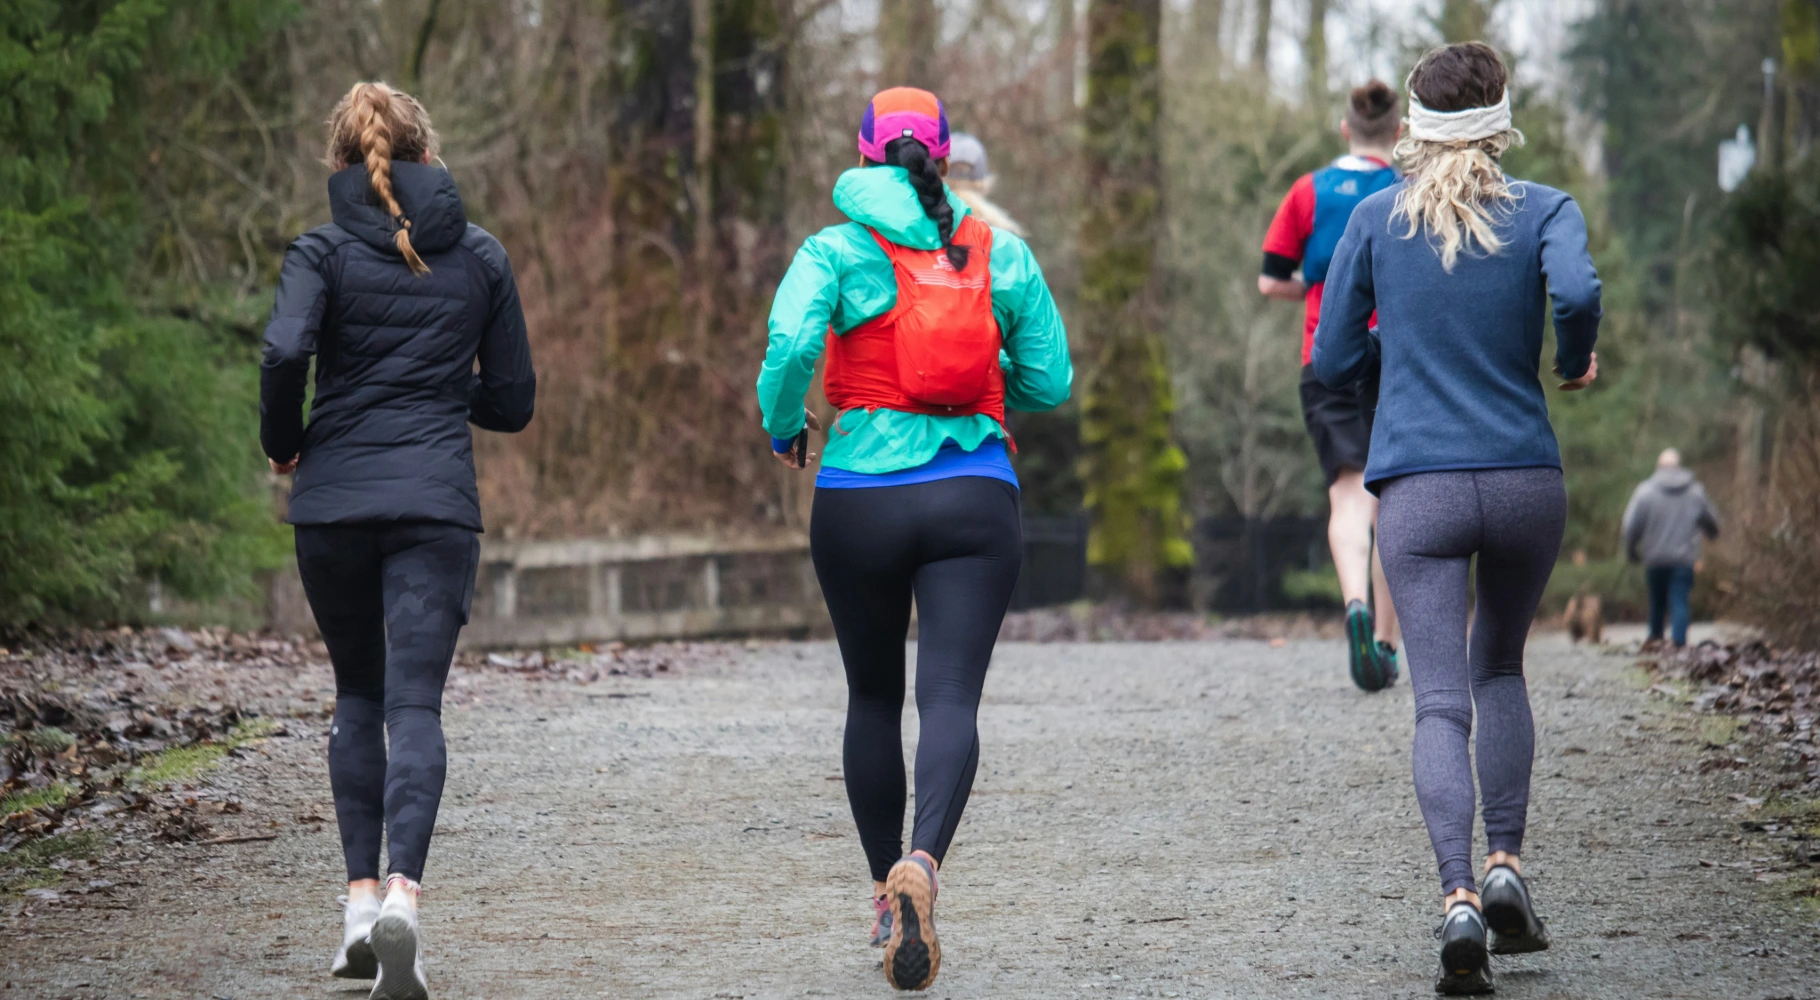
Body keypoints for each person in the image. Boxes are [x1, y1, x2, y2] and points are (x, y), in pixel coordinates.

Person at [755, 86, 1070, 991]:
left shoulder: (836, 249)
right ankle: (923, 866)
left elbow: (787, 343)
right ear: (940, 153)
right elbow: (1051, 380)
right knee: (951, 699)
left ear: (863, 155)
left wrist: (787, 425)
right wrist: (989, 367)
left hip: (859, 496)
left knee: (869, 700)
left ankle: (884, 898)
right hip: (974, 493)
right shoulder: (994, 248)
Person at [1312, 43, 1601, 995]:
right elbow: (1583, 293)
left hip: (1419, 489)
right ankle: (1509, 862)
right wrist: (1572, 358)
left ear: (1414, 126)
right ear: (1501, 117)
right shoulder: (1545, 209)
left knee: (1439, 701)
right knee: (1502, 666)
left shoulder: (1375, 218)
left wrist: (1368, 380)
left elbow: (1332, 356)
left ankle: (1459, 900)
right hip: (1523, 478)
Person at [261, 81, 535, 1000]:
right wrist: (432, 393)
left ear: (343, 161)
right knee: (413, 705)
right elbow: (513, 401)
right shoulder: (482, 256)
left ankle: (356, 910)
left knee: (355, 694)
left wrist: (283, 439)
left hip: (334, 503)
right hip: (434, 507)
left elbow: (283, 352)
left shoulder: (320, 252)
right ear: (428, 156)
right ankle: (406, 905)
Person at [1259, 80, 1404, 691]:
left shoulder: (1307, 191)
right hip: (1395, 360)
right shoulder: (1406, 191)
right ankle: (1386, 646)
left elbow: (1270, 280)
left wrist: (1316, 292)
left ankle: (1352, 605)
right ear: (1398, 133)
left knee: (1348, 498)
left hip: (1324, 357)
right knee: (1396, 501)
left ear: (1345, 128)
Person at [1621, 448, 1720, 648]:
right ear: (1678, 466)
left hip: (1655, 558)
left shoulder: (1645, 491)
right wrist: (1711, 533)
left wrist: (1631, 551)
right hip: (1683, 559)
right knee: (1679, 601)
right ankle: (1679, 646)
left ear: (1659, 467)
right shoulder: (1695, 491)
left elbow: (1630, 526)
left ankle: (1656, 642)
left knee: (1657, 602)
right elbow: (1711, 520)